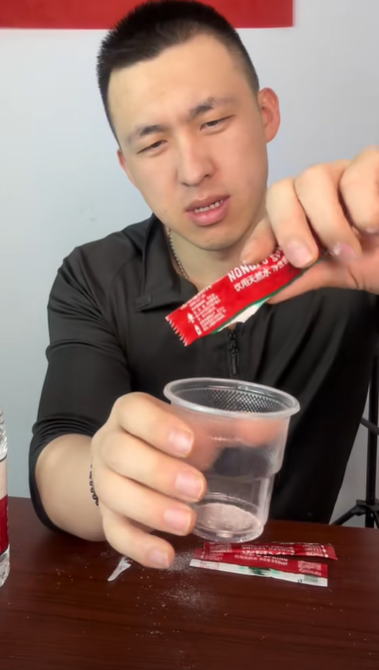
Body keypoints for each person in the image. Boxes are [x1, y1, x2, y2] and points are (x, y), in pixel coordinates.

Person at [29, 0, 379, 569]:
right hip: (150, 572)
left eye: (212, 122)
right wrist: (100, 477)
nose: (193, 170)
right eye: (153, 144)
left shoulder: (348, 248)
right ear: (127, 166)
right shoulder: (93, 277)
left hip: (303, 582)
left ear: (265, 113)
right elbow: (58, 452)